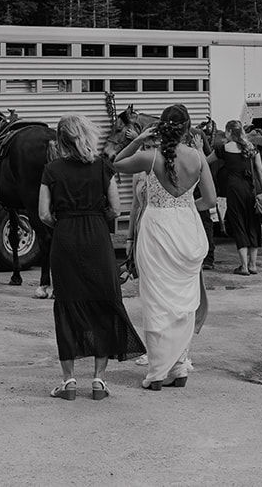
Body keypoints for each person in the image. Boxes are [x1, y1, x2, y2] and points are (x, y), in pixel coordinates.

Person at [110, 104, 218, 390]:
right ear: (187, 128)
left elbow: (115, 163)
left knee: (157, 300)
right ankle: (179, 367)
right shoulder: (197, 158)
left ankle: (157, 373)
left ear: (160, 128)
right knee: (183, 303)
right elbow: (209, 201)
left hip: (158, 229)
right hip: (188, 229)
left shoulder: (150, 156)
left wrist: (135, 140)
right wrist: (183, 207)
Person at [38, 115, 145, 400]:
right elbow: (116, 209)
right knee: (103, 304)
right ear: (86, 135)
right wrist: (95, 217)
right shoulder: (102, 167)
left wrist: (64, 223)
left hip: (65, 240)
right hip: (97, 238)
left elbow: (43, 214)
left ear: (61, 140)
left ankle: (69, 381)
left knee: (67, 306)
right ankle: (98, 381)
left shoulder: (51, 170)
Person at [215, 121, 262, 275]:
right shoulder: (252, 148)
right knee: (253, 224)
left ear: (229, 132)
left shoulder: (223, 148)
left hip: (234, 189)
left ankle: (243, 266)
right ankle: (253, 265)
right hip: (251, 190)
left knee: (239, 223)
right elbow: (261, 171)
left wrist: (199, 149)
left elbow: (206, 161)